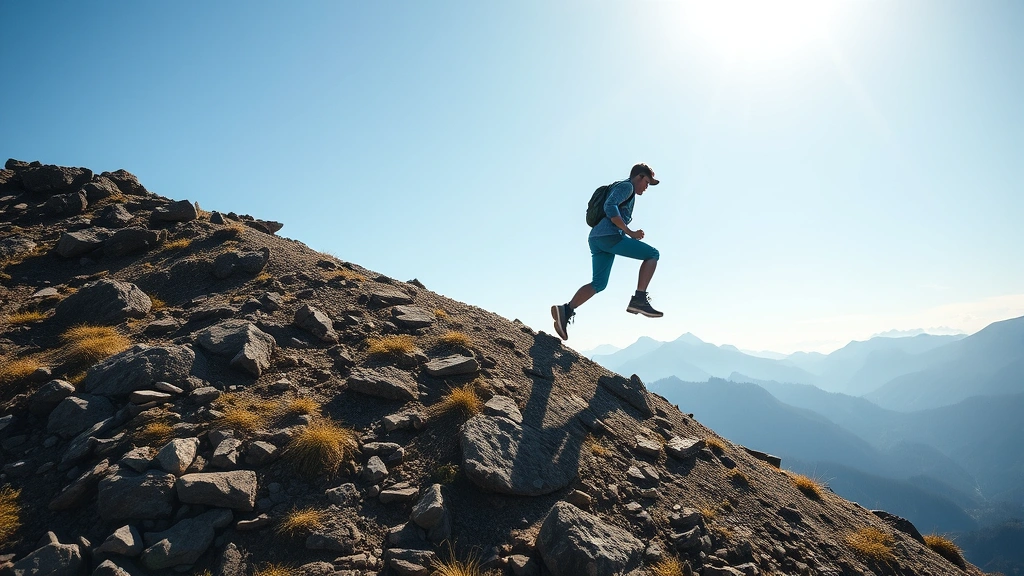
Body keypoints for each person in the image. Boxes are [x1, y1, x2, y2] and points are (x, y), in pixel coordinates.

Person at [551, 163, 663, 341]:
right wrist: (630, 232)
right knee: (653, 254)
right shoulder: (627, 187)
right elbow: (610, 206)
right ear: (639, 177)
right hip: (609, 236)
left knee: (599, 283)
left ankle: (565, 310)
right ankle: (639, 299)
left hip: (597, 239)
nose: (646, 187)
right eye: (647, 182)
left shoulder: (623, 188)